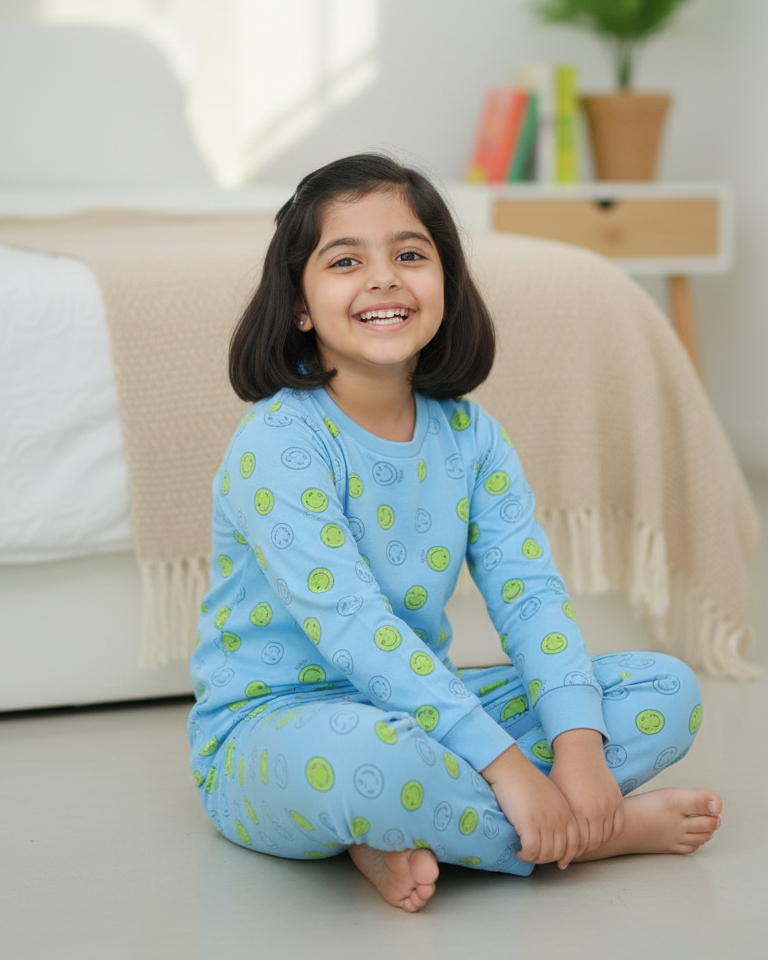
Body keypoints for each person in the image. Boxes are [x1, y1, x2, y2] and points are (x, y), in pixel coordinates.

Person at [188, 154, 722, 912]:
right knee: (370, 762)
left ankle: (411, 829)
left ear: (447, 283)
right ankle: (595, 834)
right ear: (299, 305)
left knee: (665, 691)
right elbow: (355, 626)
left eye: (410, 255)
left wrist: (578, 750)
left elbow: (530, 598)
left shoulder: (473, 437)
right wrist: (508, 766)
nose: (383, 279)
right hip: (272, 730)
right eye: (346, 261)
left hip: (425, 709)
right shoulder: (278, 442)